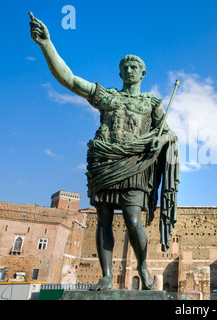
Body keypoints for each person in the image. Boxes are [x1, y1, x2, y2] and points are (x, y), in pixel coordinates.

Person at [29, 12, 179, 291]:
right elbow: (70, 80)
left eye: (135, 66)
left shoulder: (152, 103)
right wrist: (46, 45)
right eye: (126, 66)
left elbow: (167, 132)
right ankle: (107, 275)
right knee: (104, 220)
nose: (130, 69)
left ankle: (143, 266)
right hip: (104, 162)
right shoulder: (107, 96)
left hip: (135, 165)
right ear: (120, 72)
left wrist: (162, 141)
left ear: (143, 73)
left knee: (134, 221)